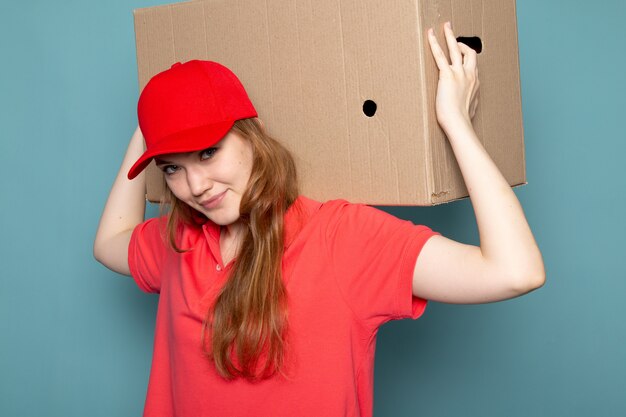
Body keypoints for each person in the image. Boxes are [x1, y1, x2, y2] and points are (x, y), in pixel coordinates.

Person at [94, 23, 545, 417]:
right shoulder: (179, 241)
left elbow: (514, 271)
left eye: (209, 152)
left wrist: (455, 123)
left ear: (255, 136)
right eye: (172, 168)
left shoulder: (339, 237)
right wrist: (151, 131)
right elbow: (109, 240)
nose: (195, 186)